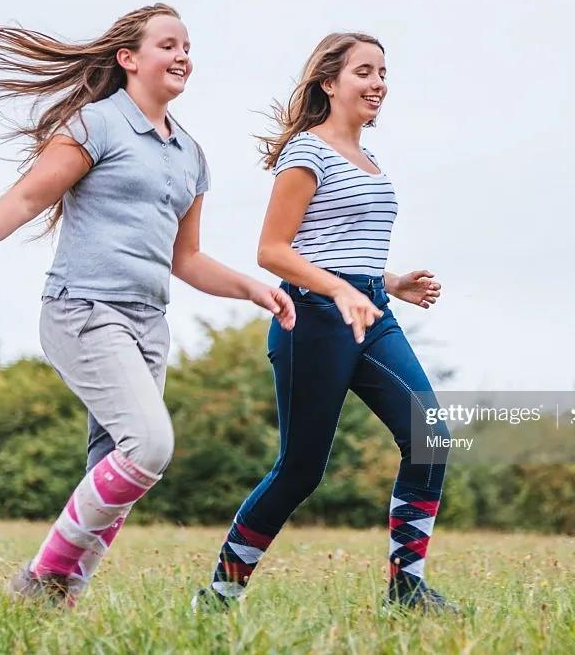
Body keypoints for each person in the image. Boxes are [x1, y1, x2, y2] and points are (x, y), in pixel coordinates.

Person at [0, 3, 295, 607]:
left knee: (116, 469)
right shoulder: (96, 125)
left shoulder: (191, 155)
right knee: (151, 445)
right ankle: (41, 576)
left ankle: (59, 599)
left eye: (187, 45)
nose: (182, 54)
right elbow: (31, 193)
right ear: (128, 59)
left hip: (146, 324)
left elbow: (186, 259)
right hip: (82, 310)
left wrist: (252, 288)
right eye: (167, 44)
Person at [194, 32, 455, 613]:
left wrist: (386, 285)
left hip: (370, 312)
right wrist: (341, 289)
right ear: (329, 82)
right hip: (313, 318)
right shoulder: (305, 153)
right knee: (301, 470)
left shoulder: (370, 159)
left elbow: (338, 249)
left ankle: (405, 588)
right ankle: (219, 594)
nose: (378, 84)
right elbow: (273, 251)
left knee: (430, 437)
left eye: (383, 73)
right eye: (365, 71)